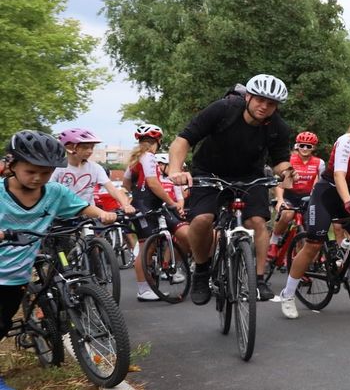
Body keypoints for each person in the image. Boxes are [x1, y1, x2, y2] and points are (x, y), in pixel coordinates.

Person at [0, 131, 117, 390]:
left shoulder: (54, 192)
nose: (38, 178)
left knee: (3, 323)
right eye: (31, 171)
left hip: (16, 276)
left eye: (46, 172)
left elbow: (81, 207)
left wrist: (103, 214)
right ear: (11, 164)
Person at [167, 74, 294, 304]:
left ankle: (260, 278)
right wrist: (175, 169)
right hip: (209, 172)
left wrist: (286, 173)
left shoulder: (278, 128)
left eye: (271, 103)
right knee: (202, 219)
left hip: (249, 177)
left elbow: (280, 161)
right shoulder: (223, 110)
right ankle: (202, 271)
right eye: (260, 100)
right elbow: (182, 140)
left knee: (257, 222)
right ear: (248, 96)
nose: (264, 107)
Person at [272, 101, 350, 319]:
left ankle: (342, 265)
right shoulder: (346, 142)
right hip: (326, 194)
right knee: (313, 245)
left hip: (347, 192)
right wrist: (348, 202)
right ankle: (288, 293)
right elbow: (339, 175)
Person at [127, 126, 190, 301]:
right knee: (146, 248)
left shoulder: (135, 159)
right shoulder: (148, 157)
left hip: (144, 204)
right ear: (159, 141)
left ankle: (161, 274)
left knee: (150, 245)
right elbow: (153, 184)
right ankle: (143, 290)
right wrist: (171, 203)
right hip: (147, 205)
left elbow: (126, 184)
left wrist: (130, 199)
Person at [267, 131, 326, 262]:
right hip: (289, 194)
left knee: (310, 224)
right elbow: (280, 183)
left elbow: (321, 184)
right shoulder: (289, 160)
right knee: (287, 214)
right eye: (302, 145)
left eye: (309, 146)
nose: (305, 149)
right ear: (296, 146)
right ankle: (273, 243)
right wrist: (280, 200)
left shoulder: (319, 163)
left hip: (307, 197)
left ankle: (306, 256)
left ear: (314, 148)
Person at [51, 127, 136, 216]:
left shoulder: (95, 168)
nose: (90, 151)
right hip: (62, 215)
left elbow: (112, 189)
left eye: (92, 147)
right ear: (69, 147)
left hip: (88, 215)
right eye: (85, 147)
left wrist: (126, 205)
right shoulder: (57, 168)